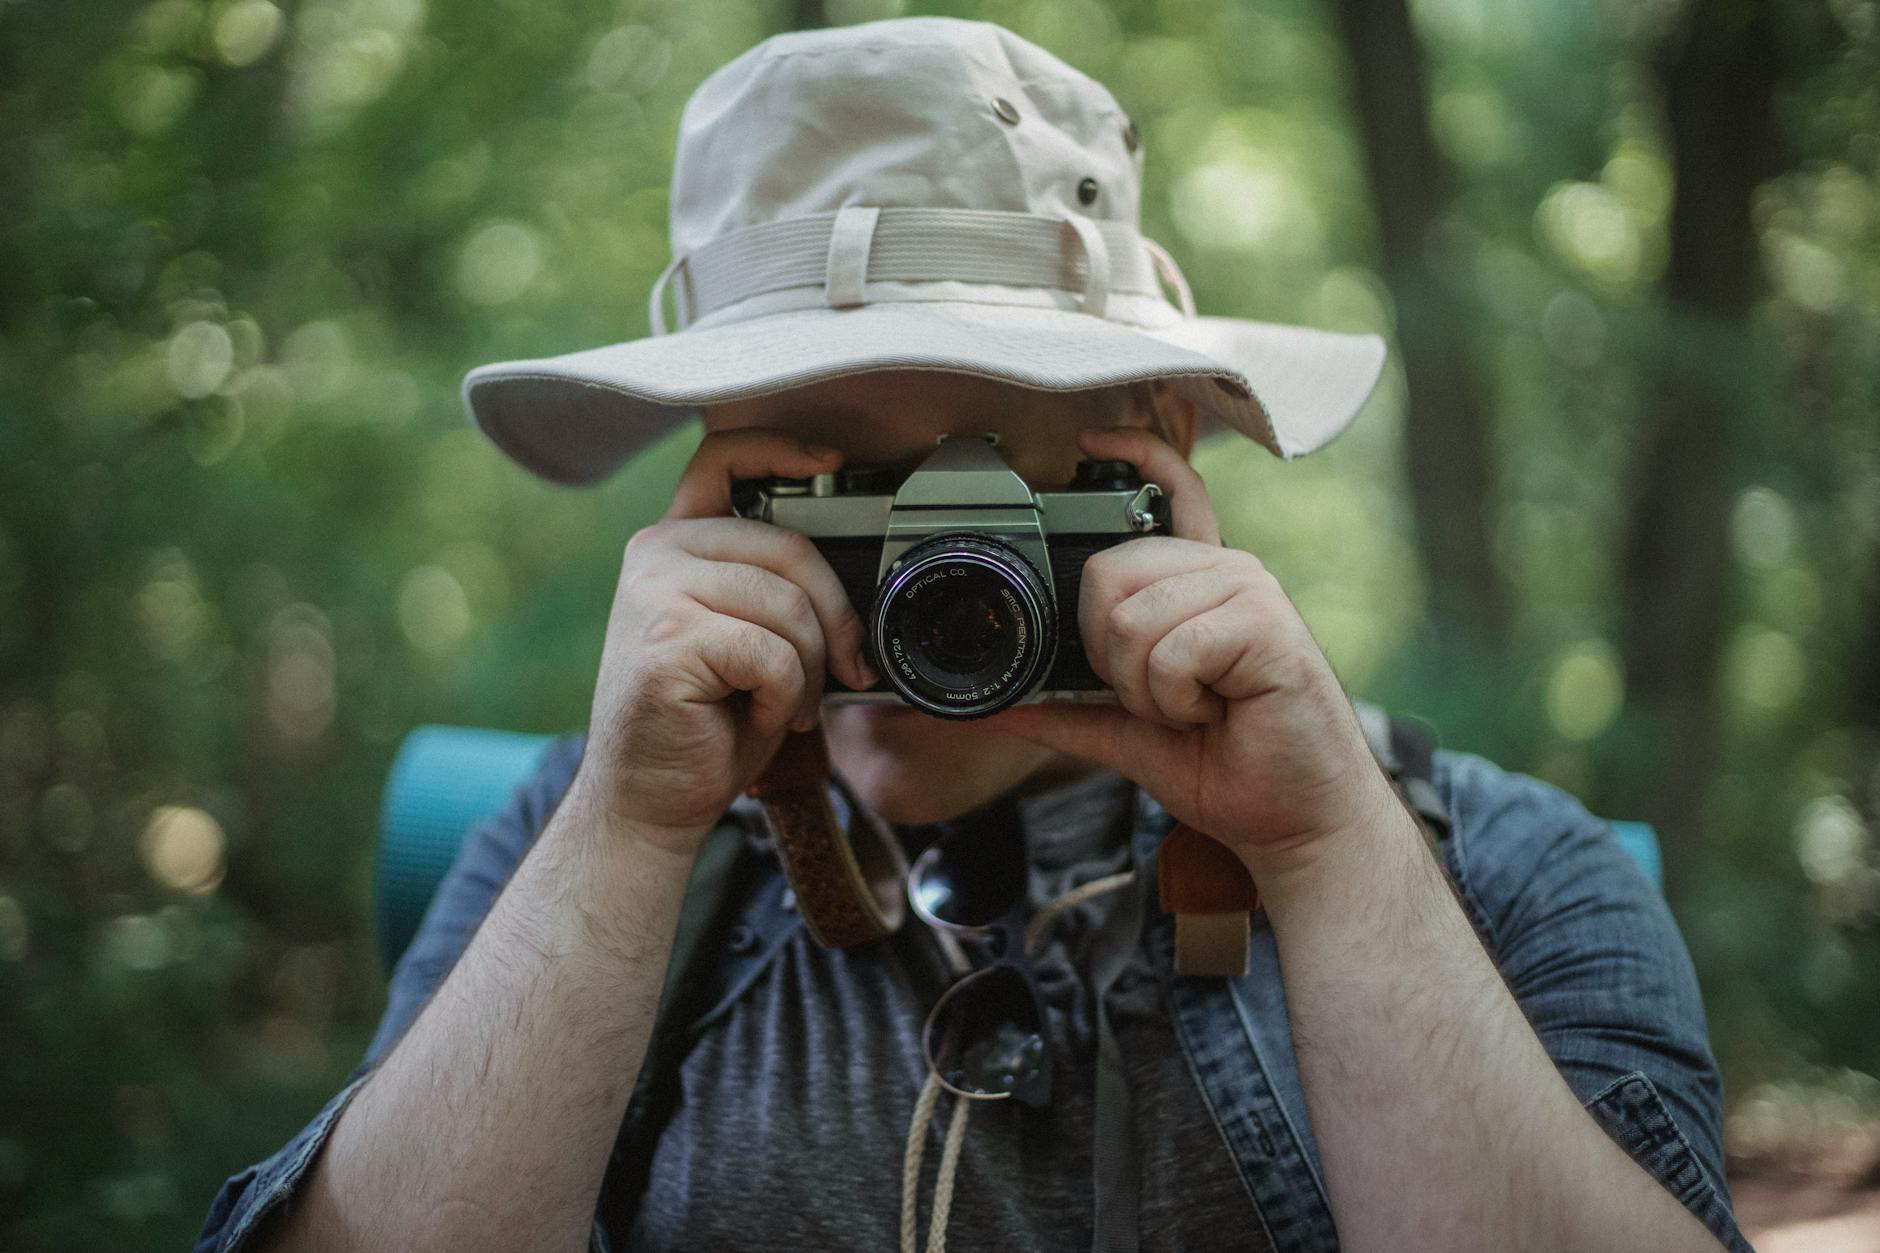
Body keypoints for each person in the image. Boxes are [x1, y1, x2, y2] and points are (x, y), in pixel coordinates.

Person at [197, 17, 1752, 1253]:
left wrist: (1328, 849)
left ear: (1146, 459)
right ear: (703, 485)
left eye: (971, 476)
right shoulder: (579, 840)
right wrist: (629, 817)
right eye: (818, 486)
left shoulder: (1502, 873)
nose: (909, 575)